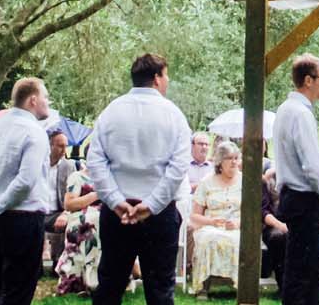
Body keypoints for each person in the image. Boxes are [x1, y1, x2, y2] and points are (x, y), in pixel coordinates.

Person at [86, 53, 191, 305]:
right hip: (159, 213)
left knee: (110, 286)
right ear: (156, 78)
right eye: (166, 75)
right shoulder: (174, 115)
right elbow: (178, 167)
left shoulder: (111, 112)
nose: (167, 81)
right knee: (160, 290)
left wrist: (115, 200)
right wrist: (152, 205)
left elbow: (95, 161)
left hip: (118, 213)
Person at [0, 77, 53, 305]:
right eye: (46, 97)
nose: (48, 102)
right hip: (24, 217)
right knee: (19, 290)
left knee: (3, 286)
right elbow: (26, 180)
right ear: (33, 100)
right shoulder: (34, 132)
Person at [273, 54, 319, 305]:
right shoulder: (300, 113)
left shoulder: (286, 110)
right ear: (308, 80)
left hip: (292, 196)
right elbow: (312, 166)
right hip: (303, 199)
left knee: (297, 268)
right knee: (309, 273)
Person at [188, 140, 244, 294]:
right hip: (210, 225)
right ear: (220, 161)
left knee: (238, 240)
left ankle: (241, 287)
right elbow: (194, 216)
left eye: (236, 158)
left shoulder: (245, 181)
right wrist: (211, 221)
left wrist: (238, 223)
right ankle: (203, 288)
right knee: (207, 239)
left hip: (237, 226)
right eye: (229, 158)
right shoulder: (207, 182)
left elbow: (253, 214)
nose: (234, 162)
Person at [54, 162, 102, 295]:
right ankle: (88, 281)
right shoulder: (77, 177)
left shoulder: (110, 177)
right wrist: (95, 195)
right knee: (92, 222)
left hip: (106, 217)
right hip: (83, 217)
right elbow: (69, 204)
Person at [44, 129, 77, 268]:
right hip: (36, 210)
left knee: (71, 222)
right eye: (60, 146)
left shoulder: (69, 166)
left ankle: (59, 263)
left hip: (57, 212)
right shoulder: (38, 164)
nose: (64, 150)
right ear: (49, 146)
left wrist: (65, 213)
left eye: (66, 146)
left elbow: (74, 193)